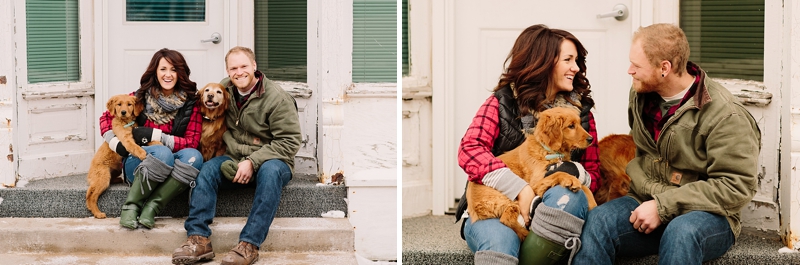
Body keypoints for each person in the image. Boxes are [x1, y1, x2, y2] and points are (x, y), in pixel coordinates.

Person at [573, 23, 761, 264]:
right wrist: (654, 202)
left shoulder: (726, 115)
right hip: (645, 200)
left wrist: (663, 205)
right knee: (598, 221)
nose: (629, 70)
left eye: (637, 65)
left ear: (664, 68)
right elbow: (641, 154)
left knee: (681, 232)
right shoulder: (641, 94)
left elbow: (736, 187)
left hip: (707, 215)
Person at [454, 24, 601, 265]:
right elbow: (470, 151)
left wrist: (575, 173)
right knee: (501, 242)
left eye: (577, 60)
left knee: (569, 198)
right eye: (568, 60)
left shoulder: (581, 114)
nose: (575, 68)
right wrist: (521, 190)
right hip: (497, 207)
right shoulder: (501, 102)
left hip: (555, 208)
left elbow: (593, 173)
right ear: (543, 63)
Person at [171, 46, 302, 265]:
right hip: (234, 158)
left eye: (243, 66)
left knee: (270, 172)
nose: (239, 72)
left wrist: (253, 161)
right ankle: (198, 240)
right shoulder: (225, 89)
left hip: (272, 160)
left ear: (254, 66)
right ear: (228, 70)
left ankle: (249, 245)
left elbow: (289, 142)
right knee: (207, 169)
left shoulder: (277, 98)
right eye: (233, 68)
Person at [100, 48, 203, 230]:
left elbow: (192, 141)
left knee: (194, 156)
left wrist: (158, 136)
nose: (168, 75)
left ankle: (152, 207)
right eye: (163, 69)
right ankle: (131, 206)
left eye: (173, 69)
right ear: (155, 72)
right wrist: (115, 143)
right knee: (162, 153)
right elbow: (106, 118)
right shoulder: (140, 96)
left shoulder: (190, 103)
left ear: (181, 73)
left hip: (174, 172)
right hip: (140, 164)